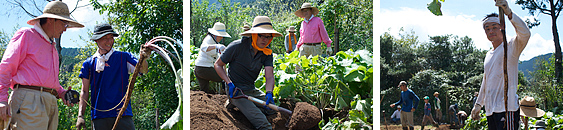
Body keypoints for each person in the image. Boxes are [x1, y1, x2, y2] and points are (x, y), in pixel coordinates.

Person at [0, 1, 82, 129]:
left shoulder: (52, 46)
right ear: (50, 20)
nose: (65, 29)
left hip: (50, 103)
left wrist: (61, 92)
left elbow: (45, 80)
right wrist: (2, 99)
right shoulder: (27, 35)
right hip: (28, 101)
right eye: (63, 23)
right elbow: (5, 68)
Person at [76, 23, 150, 130]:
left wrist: (144, 58)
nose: (109, 41)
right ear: (96, 40)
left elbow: (143, 69)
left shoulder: (124, 57)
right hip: (99, 117)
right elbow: (85, 91)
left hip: (123, 114)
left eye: (111, 38)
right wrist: (80, 115)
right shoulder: (89, 63)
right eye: (105, 38)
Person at [471, 0, 531, 130]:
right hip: (490, 109)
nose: (490, 31)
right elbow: (485, 81)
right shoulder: (488, 55)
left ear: (502, 27)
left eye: (494, 27)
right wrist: (478, 104)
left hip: (506, 108)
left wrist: (509, 13)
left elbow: (525, 33)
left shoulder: (511, 47)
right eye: (487, 28)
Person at [215, 16, 280, 130]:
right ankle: (235, 102)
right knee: (263, 124)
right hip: (235, 89)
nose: (265, 40)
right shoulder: (237, 46)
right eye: (262, 35)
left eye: (268, 37)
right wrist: (229, 83)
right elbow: (218, 65)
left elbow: (269, 76)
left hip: (250, 89)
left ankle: (240, 106)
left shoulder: (266, 52)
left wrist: (269, 92)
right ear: (254, 34)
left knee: (272, 110)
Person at [194, 22, 230, 94]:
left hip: (199, 69)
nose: (221, 37)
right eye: (220, 36)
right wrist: (216, 46)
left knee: (204, 91)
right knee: (223, 78)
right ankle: (227, 94)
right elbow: (203, 48)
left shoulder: (215, 42)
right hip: (204, 68)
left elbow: (220, 60)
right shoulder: (209, 39)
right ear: (215, 34)